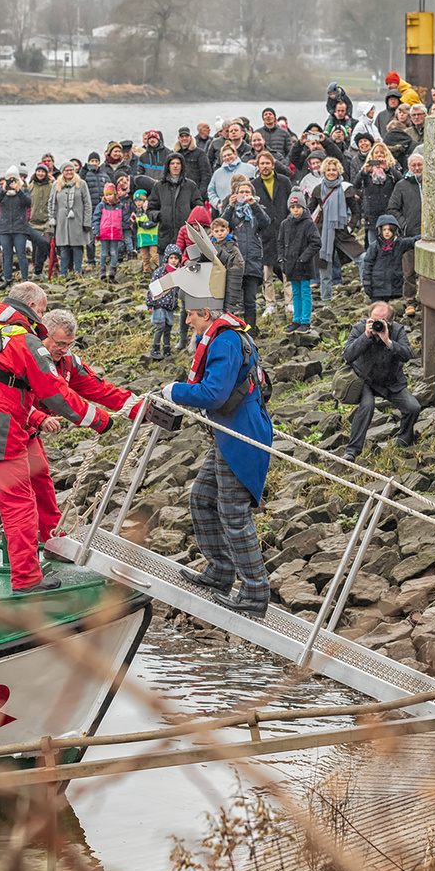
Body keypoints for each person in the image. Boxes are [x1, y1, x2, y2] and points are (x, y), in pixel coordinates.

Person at [0, 284, 120, 595]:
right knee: (18, 505)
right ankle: (27, 578)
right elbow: (55, 392)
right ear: (31, 305)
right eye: (41, 311)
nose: (40, 317)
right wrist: (99, 420)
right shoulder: (23, 341)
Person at [151, 229, 275, 616]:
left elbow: (214, 395)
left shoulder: (222, 341)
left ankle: (255, 590)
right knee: (202, 499)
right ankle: (221, 569)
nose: (186, 320)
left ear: (205, 312)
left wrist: (175, 392)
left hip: (241, 437)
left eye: (189, 313)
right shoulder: (225, 334)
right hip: (228, 434)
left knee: (234, 515)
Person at [341, 301, 420, 461]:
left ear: (390, 322)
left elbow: (407, 355)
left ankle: (403, 441)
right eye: (373, 320)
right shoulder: (360, 327)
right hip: (365, 379)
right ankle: (352, 450)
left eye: (381, 321)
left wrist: (388, 342)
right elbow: (347, 355)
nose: (376, 324)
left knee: (413, 407)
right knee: (367, 405)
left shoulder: (397, 330)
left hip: (390, 381)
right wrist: (366, 336)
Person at [306, 157, 361, 302]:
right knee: (325, 270)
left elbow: (356, 211)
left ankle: (366, 290)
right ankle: (326, 300)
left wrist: (350, 227)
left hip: (342, 231)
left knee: (362, 258)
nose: (331, 172)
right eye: (328, 170)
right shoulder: (318, 189)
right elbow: (309, 210)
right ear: (324, 171)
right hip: (323, 233)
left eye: (334, 170)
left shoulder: (346, 188)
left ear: (339, 171)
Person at [224, 176, 272, 330]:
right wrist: (230, 207)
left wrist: (254, 205)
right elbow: (221, 226)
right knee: (235, 301)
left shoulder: (258, 210)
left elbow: (266, 223)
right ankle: (237, 330)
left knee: (250, 299)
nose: (244, 195)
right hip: (234, 261)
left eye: (247, 192)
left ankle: (251, 329)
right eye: (241, 192)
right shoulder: (232, 212)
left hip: (253, 259)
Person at [252, 150, 292, 316]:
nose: (265, 166)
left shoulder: (284, 181)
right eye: (262, 163)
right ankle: (270, 304)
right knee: (267, 273)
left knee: (286, 271)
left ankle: (290, 302)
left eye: (268, 163)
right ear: (258, 165)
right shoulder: (254, 185)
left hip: (284, 230)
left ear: (273, 165)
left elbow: (291, 203)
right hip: (265, 233)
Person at [356, 150, 401, 296]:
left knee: (391, 251)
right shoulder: (367, 172)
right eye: (376, 154)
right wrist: (365, 171)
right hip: (372, 216)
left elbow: (400, 182)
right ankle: (371, 281)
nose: (379, 157)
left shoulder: (392, 170)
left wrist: (388, 169)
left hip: (389, 217)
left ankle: (392, 284)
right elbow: (355, 184)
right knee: (373, 250)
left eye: (382, 153)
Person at [280, 190, 319, 332]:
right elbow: (280, 242)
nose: (295, 210)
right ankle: (296, 320)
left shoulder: (309, 224)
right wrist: (281, 258)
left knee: (305, 291)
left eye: (298, 207)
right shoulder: (285, 224)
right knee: (295, 293)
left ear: (303, 207)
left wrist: (304, 257)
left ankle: (305, 321)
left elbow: (316, 243)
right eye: (292, 207)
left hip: (305, 265)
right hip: (290, 265)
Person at [149, 153, 202, 255]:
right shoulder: (159, 186)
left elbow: (198, 206)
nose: (175, 166)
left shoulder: (191, 185)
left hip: (187, 234)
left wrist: (194, 221)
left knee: (190, 267)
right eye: (172, 163)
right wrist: (160, 215)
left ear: (182, 166)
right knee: (166, 269)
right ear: (168, 166)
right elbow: (151, 209)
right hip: (165, 235)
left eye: (178, 163)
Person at [48, 161, 91, 276]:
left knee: (77, 247)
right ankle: (63, 273)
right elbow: (52, 202)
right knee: (63, 249)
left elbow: (87, 204)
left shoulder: (81, 184)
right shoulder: (56, 185)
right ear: (62, 172)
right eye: (67, 170)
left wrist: (87, 222)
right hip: (61, 222)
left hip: (78, 221)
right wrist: (52, 218)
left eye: (71, 170)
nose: (69, 172)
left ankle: (78, 271)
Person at [0, 166, 32, 286]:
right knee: (6, 254)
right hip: (4, 228)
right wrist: (3, 190)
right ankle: (7, 279)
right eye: (9, 179)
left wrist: (18, 190)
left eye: (14, 179)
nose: (11, 182)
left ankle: (25, 279)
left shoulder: (24, 190)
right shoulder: (2, 191)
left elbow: (28, 202)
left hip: (20, 227)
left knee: (21, 254)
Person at [366, 213, 414, 303]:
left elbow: (413, 241)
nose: (387, 232)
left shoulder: (400, 244)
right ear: (380, 230)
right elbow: (367, 266)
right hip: (378, 289)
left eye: (390, 229)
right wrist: (367, 284)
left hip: (395, 289)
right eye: (384, 229)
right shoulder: (374, 247)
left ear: (395, 230)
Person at [91, 176, 129, 281]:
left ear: (115, 194)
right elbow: (96, 218)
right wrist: (96, 230)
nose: (108, 197)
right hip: (104, 233)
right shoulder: (101, 206)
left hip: (116, 233)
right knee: (103, 253)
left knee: (113, 252)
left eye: (110, 194)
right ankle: (102, 271)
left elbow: (125, 217)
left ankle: (112, 271)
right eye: (106, 195)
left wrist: (131, 220)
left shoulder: (120, 206)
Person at [147, 250, 182, 360]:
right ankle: (155, 348)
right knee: (160, 325)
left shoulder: (178, 273)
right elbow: (152, 287)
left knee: (168, 327)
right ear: (166, 258)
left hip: (170, 305)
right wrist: (150, 303)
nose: (173, 260)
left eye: (176, 258)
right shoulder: (160, 272)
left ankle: (167, 349)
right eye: (171, 258)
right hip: (159, 303)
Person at [26, 165, 55, 279]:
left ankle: (39, 268)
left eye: (43, 172)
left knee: (45, 243)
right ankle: (37, 271)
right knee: (36, 246)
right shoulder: (30, 187)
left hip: (47, 221)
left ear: (46, 174)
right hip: (33, 222)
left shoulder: (51, 187)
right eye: (39, 171)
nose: (40, 174)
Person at [207, 144, 256, 209]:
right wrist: (217, 204)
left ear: (235, 154)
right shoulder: (217, 173)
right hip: (225, 210)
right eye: (224, 156)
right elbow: (211, 191)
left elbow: (257, 186)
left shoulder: (250, 169)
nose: (227, 157)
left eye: (229, 155)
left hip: (248, 209)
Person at [132, 188, 160, 276]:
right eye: (136, 201)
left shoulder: (150, 210)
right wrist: (133, 222)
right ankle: (146, 272)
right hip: (142, 239)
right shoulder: (136, 213)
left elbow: (154, 222)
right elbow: (135, 228)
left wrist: (144, 224)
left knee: (155, 256)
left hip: (152, 238)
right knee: (145, 257)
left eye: (140, 200)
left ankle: (162, 269)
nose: (138, 202)